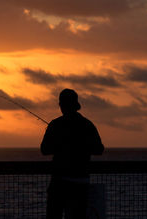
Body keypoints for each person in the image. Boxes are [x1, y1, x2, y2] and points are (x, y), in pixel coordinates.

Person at [41, 88, 104, 219]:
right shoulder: (87, 125)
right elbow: (99, 149)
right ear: (76, 105)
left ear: (61, 105)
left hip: (59, 182)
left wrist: (60, 145)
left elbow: (44, 149)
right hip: (81, 183)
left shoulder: (55, 124)